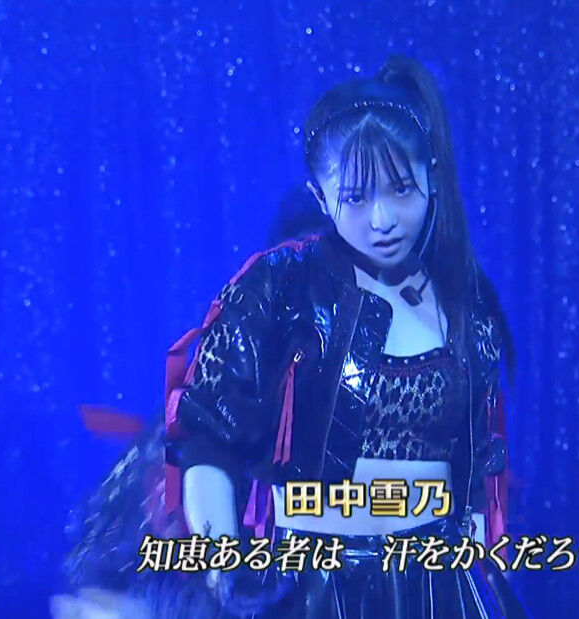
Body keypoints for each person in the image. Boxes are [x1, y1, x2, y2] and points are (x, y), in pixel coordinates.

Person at [55, 54, 526, 618]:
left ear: (432, 175)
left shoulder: (467, 306)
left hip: (438, 587)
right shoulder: (279, 286)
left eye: (401, 189)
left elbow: (477, 467)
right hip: (315, 585)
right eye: (355, 197)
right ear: (321, 197)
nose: (382, 219)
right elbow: (204, 433)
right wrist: (222, 569)